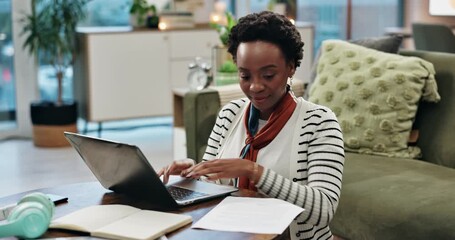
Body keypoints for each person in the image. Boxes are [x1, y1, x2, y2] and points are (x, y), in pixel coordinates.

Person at [159, 11, 345, 240]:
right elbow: (212, 183)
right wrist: (192, 173)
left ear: (291, 67)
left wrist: (254, 172)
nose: (255, 87)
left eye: (268, 75)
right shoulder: (230, 114)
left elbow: (324, 210)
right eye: (245, 76)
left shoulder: (319, 123)